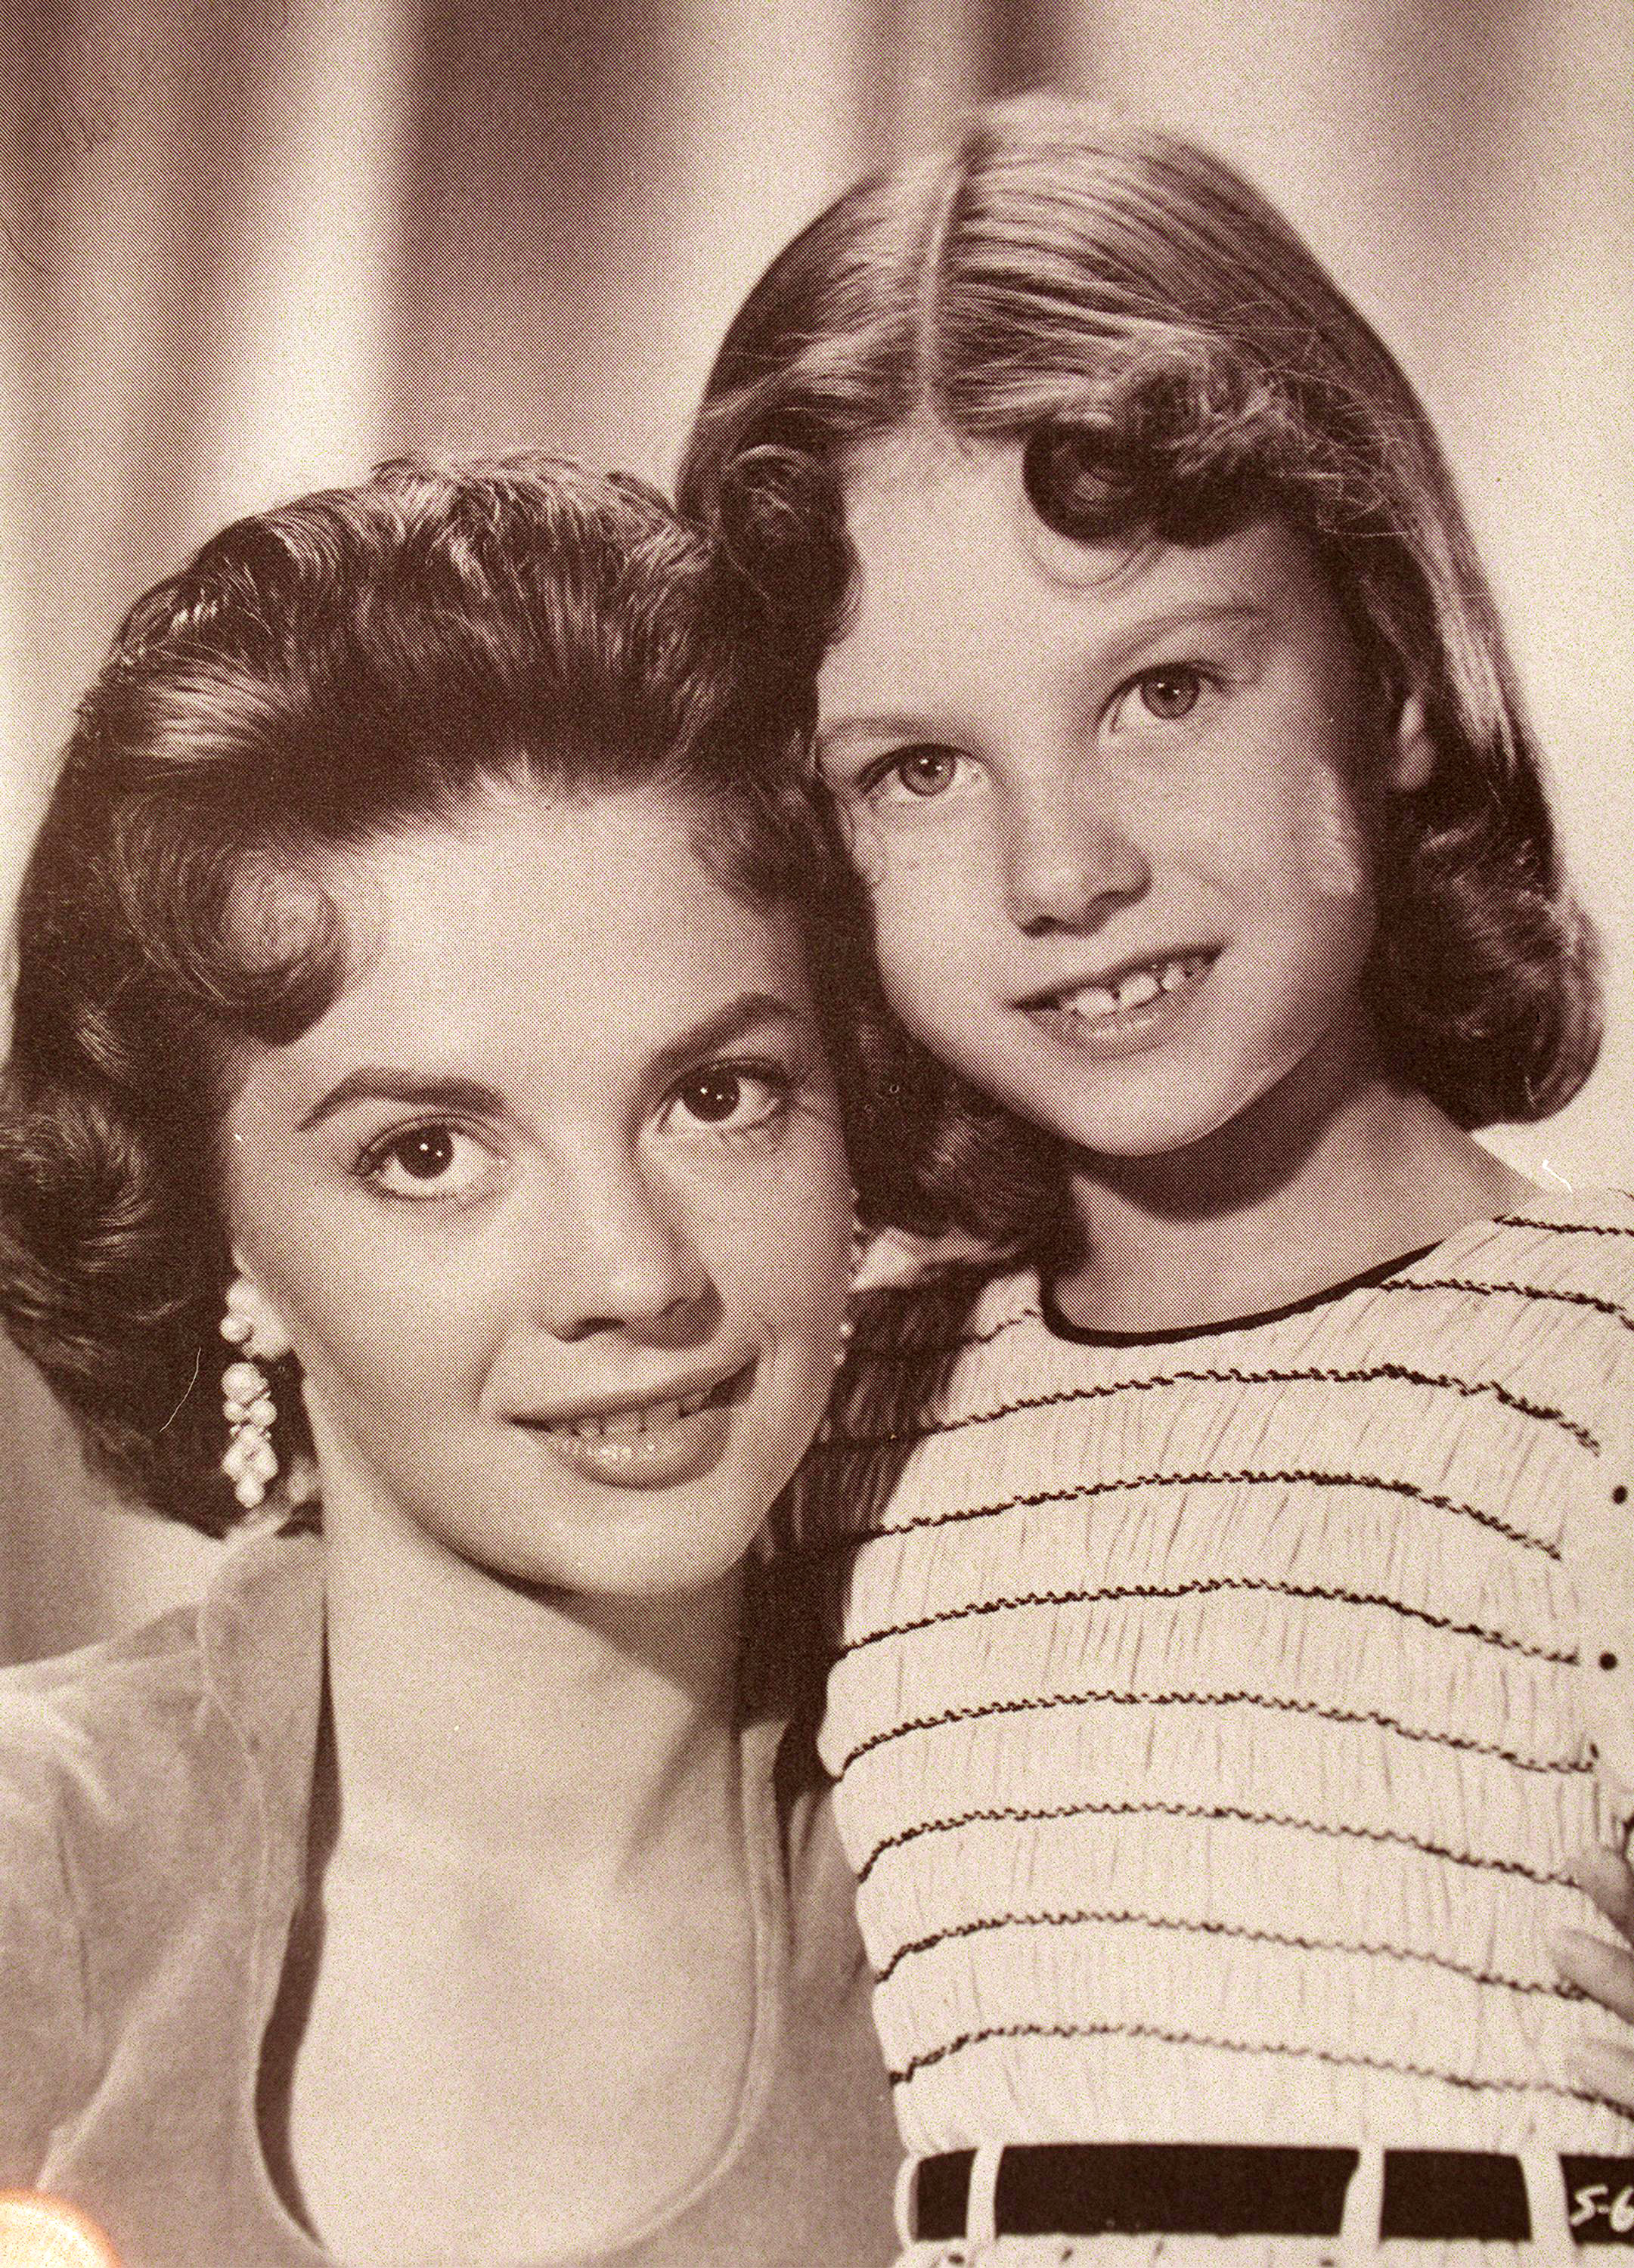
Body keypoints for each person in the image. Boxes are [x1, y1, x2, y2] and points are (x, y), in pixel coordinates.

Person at [680, 98, 1634, 2259]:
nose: (1063, 869)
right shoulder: (828, 1427)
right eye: (917, 768)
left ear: (1389, 671)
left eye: (1167, 687)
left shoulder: (1603, 1390)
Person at [0, 455, 904, 2266]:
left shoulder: (1032, 1845)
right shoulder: (33, 1870)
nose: (630, 1274)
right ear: (222, 1239)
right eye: (428, 1152)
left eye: (717, 1096)